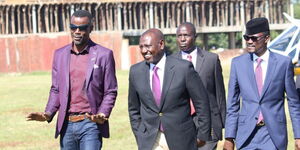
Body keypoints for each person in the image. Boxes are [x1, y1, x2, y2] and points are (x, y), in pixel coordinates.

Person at [26, 10, 118, 150]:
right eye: (73, 27)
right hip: (66, 124)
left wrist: (102, 113)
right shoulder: (60, 55)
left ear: (90, 29)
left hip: (91, 123)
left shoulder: (104, 55)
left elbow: (110, 90)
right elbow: (56, 89)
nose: (77, 31)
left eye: (82, 28)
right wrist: (48, 113)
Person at [223, 17, 300, 150]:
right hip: (246, 136)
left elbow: (293, 103)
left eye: (254, 38)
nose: (249, 42)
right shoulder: (237, 64)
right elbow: (232, 104)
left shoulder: (283, 63)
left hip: (273, 136)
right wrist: (229, 137)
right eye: (246, 38)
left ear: (266, 38)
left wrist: (298, 136)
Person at [128, 28, 211, 150]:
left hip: (181, 139)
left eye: (148, 46)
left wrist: (202, 135)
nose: (144, 51)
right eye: (141, 47)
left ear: (161, 44)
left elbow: (201, 102)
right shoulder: (136, 71)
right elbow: (133, 109)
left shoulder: (183, 68)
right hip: (151, 140)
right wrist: (140, 135)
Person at [173, 22, 226, 150]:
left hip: (209, 123)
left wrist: (226, 128)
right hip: (182, 124)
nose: (182, 39)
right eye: (179, 36)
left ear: (195, 36)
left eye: (186, 35)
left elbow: (220, 94)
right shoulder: (171, 62)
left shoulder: (211, 60)